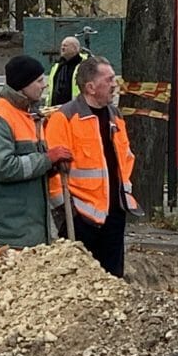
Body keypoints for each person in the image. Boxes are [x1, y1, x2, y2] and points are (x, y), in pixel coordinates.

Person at [45, 56, 143, 276]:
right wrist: (65, 209)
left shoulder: (114, 116)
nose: (114, 84)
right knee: (81, 281)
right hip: (81, 217)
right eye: (108, 80)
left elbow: (125, 158)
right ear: (90, 87)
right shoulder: (65, 118)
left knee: (112, 278)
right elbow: (52, 171)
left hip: (114, 212)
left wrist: (125, 196)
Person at [0, 55, 73, 253]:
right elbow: (4, 168)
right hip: (8, 231)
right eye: (38, 81)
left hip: (26, 227)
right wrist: (47, 159)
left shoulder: (28, 116)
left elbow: (31, 168)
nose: (43, 85)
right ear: (22, 85)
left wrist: (52, 165)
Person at [47, 36, 88, 107]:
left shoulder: (84, 65)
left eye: (65, 46)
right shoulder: (57, 66)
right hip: (55, 109)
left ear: (75, 48)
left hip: (76, 108)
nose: (62, 48)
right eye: (62, 46)